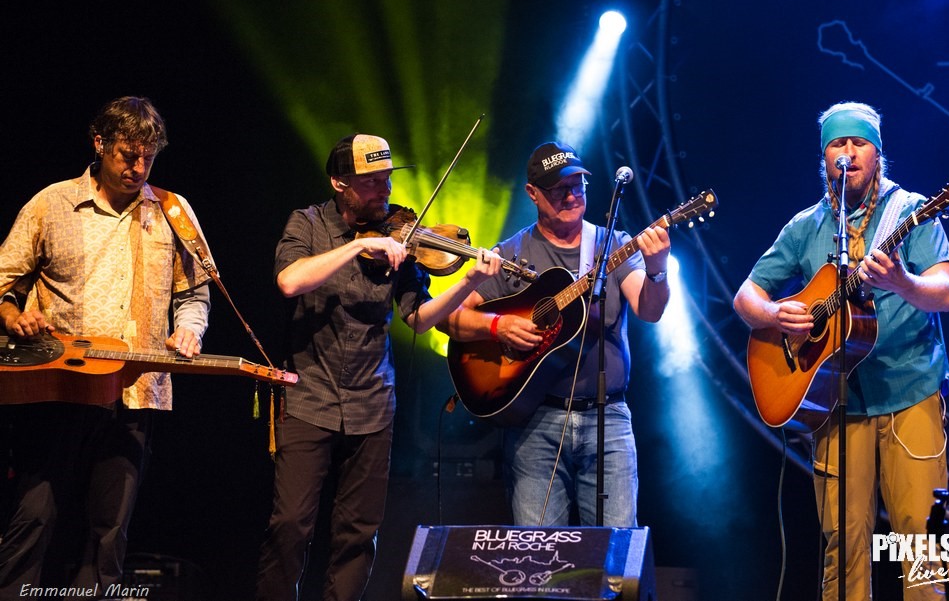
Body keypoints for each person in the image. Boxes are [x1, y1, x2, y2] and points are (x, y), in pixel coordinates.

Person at [255, 133, 502, 601]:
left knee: (358, 535)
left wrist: (468, 278)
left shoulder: (400, 235)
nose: (383, 190)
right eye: (370, 182)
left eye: (386, 179)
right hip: (309, 398)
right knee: (289, 525)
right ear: (339, 182)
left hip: (372, 403)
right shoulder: (307, 224)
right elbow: (290, 281)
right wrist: (353, 247)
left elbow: (419, 318)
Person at [733, 102, 949, 600]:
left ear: (877, 154)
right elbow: (746, 296)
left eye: (859, 144)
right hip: (836, 399)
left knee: (922, 548)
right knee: (844, 546)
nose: (848, 154)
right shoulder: (806, 226)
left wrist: (902, 281)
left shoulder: (911, 211)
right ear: (824, 156)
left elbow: (944, 292)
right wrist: (774, 316)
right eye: (838, 144)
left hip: (909, 390)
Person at [0, 96, 212, 595]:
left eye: (148, 157)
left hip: (133, 393)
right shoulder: (52, 203)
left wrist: (190, 328)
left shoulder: (173, 211)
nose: (138, 168)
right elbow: (2, 283)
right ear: (99, 144)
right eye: (127, 155)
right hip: (56, 389)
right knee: (34, 520)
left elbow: (196, 292)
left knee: (109, 537)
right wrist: (13, 315)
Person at [442, 141, 671, 527]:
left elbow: (649, 310)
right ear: (532, 193)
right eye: (558, 189)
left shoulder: (611, 243)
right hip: (536, 419)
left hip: (608, 418)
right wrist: (499, 325)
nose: (571, 196)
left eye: (578, 185)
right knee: (537, 560)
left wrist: (657, 269)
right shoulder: (512, 252)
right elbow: (452, 319)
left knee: (614, 560)